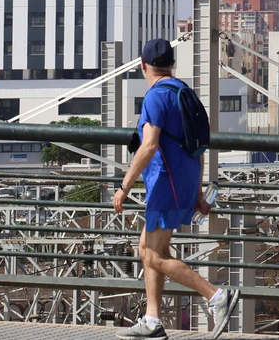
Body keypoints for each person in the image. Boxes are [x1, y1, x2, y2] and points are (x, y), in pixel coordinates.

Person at [114, 38, 239, 338]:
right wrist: (196, 192)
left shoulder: (155, 97)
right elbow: (199, 147)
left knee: (154, 256)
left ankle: (216, 296)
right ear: (171, 64)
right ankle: (153, 320)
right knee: (146, 248)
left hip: (164, 184)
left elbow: (148, 146)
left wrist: (124, 187)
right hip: (183, 180)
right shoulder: (184, 92)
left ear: (143, 65)